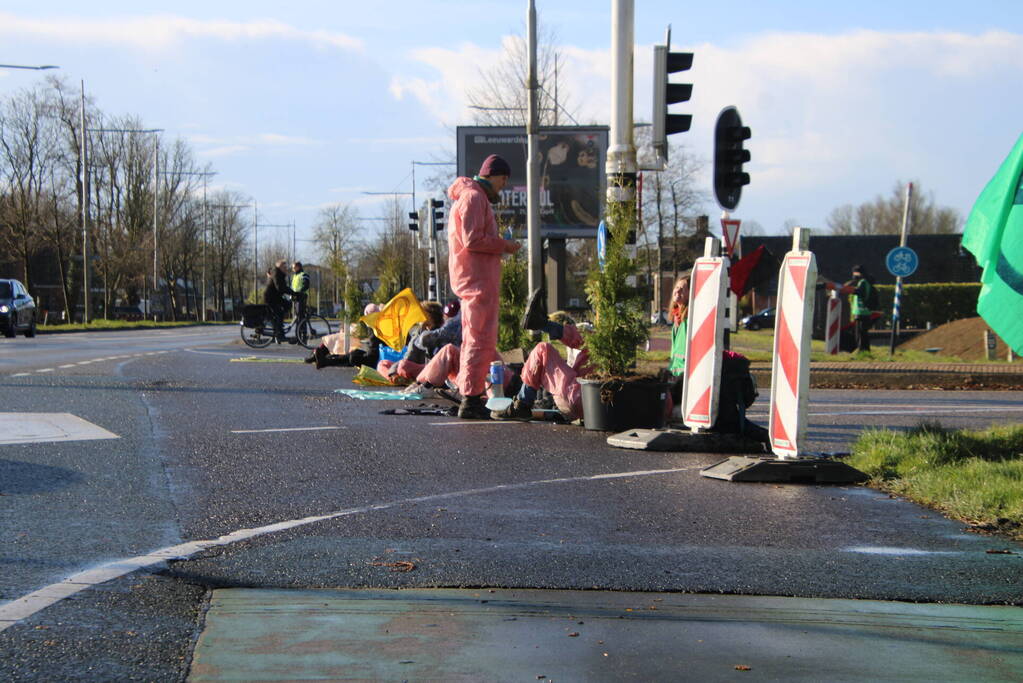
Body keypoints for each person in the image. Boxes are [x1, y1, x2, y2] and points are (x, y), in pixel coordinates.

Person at [447, 153, 522, 418]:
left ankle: (477, 393)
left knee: (478, 339)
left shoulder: (470, 196)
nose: (503, 185)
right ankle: (471, 399)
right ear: (493, 175)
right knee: (479, 340)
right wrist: (505, 245)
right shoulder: (475, 198)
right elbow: (473, 240)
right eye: (503, 179)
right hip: (478, 280)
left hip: (474, 278)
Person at [492, 313, 591, 421]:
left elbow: (578, 338)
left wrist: (544, 325)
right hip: (594, 406)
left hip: (577, 396)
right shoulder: (602, 342)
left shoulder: (597, 341)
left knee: (543, 349)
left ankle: (521, 406)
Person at [308, 303, 381, 368]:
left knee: (352, 357)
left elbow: (373, 352)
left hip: (373, 358)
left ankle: (325, 360)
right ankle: (325, 360)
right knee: (352, 354)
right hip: (371, 354)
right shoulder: (375, 325)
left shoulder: (374, 327)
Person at [829, 265, 879, 352]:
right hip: (862, 311)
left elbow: (859, 292)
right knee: (861, 332)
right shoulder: (865, 282)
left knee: (861, 332)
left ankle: (863, 350)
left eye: (854, 273)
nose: (853, 275)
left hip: (862, 311)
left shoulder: (863, 282)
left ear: (859, 273)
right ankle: (862, 350)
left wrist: (847, 289)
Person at [262, 260, 293, 343]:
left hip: (275, 297)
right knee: (279, 313)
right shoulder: (276, 273)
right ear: (280, 267)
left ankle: (278, 326)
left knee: (287, 306)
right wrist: (293, 293)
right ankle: (279, 335)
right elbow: (279, 287)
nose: (286, 268)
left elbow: (283, 287)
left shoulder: (280, 274)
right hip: (270, 298)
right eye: (284, 266)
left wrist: (293, 293)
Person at [668, 273, 690, 377]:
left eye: (682, 289)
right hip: (675, 375)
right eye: (677, 287)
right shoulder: (677, 319)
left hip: (683, 377)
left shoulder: (689, 320)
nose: (677, 291)